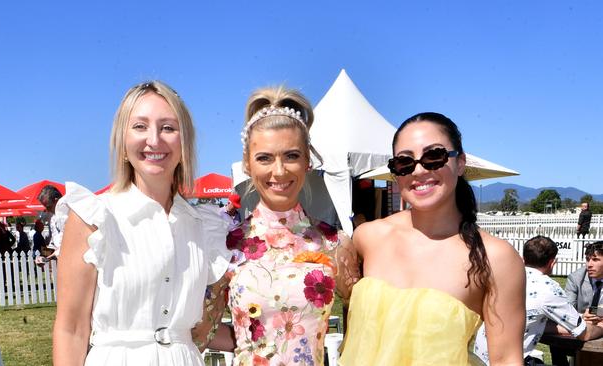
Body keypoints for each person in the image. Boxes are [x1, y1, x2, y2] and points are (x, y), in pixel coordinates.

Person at [52, 80, 231, 365]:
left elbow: (205, 324)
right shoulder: (94, 217)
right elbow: (71, 329)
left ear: (184, 142)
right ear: (122, 142)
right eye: (140, 126)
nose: (154, 139)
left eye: (168, 127)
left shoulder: (204, 225)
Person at [339, 112, 526, 365]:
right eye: (405, 162)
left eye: (433, 157)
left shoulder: (496, 257)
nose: (418, 170)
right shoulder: (368, 237)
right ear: (395, 172)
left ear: (460, 163)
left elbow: (506, 359)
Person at [207, 86, 360, 365]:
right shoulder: (227, 245)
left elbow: (361, 328)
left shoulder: (335, 243)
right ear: (247, 165)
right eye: (264, 158)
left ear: (307, 162)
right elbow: (201, 330)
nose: (279, 171)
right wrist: (248, 339)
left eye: (291, 156)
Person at [473, 235, 603, 365]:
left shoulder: (503, 278)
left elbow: (529, 321)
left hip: (479, 360)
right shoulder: (548, 288)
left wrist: (573, 323)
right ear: (552, 262)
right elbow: (584, 334)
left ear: (523, 259)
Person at [565, 241, 603, 319]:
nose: (589, 265)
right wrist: (582, 316)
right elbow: (567, 309)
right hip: (582, 324)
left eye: (595, 260)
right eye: (587, 259)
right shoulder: (575, 279)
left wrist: (596, 312)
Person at [37, 185, 65, 260]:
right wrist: (42, 256)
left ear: (57, 200)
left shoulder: (73, 215)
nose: (47, 210)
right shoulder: (53, 219)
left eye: (48, 206)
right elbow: (53, 245)